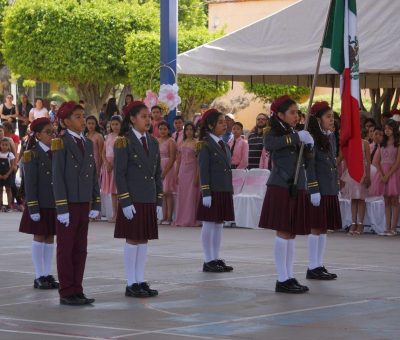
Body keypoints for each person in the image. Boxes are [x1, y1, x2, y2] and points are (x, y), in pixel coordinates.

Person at [258, 95, 315, 294]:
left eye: (297, 112)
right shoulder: (272, 132)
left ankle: (289, 276)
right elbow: (271, 145)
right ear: (280, 115)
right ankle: (282, 278)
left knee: (291, 233)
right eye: (292, 112)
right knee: (283, 231)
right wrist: (297, 138)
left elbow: (305, 160)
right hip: (281, 185)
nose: (296, 116)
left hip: (295, 186)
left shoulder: (294, 131)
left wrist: (309, 145)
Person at [52, 101, 101, 305]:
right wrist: (62, 207)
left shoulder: (87, 143)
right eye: (78, 117)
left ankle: (78, 288)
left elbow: (92, 174)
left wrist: (96, 202)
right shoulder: (61, 143)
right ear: (65, 121)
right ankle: (66, 291)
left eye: (83, 115)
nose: (83, 120)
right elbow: (58, 177)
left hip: (83, 202)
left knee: (81, 248)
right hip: (69, 203)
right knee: (66, 248)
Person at [114, 100, 162, 298]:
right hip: (133, 199)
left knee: (143, 240)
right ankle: (131, 282)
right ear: (132, 119)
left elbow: (157, 174)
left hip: (148, 197)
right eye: (143, 117)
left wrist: (159, 200)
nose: (148, 120)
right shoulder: (123, 141)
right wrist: (125, 201)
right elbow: (120, 174)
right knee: (132, 239)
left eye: (149, 117)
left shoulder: (152, 142)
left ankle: (140, 279)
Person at [19, 117, 59, 290]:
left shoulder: (56, 152)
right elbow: (30, 183)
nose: (52, 135)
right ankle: (38, 275)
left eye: (53, 132)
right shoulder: (32, 154)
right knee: (39, 237)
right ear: (37, 135)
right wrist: (33, 206)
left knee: (50, 236)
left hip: (53, 202)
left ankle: (47, 273)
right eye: (48, 132)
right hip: (39, 202)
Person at [306, 102, 342, 280]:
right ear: (318, 119)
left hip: (329, 188)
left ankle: (319, 264)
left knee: (324, 228)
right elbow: (309, 166)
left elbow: (332, 163)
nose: (332, 120)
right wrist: (313, 188)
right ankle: (312, 266)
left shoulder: (330, 136)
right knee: (316, 227)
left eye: (332, 117)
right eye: (328, 117)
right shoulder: (312, 138)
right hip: (318, 188)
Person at [196, 109, 234, 273]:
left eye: (224, 121)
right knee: (209, 223)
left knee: (219, 224)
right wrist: (206, 192)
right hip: (212, 190)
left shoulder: (223, 144)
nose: (224, 125)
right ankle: (208, 259)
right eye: (220, 122)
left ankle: (215, 257)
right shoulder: (205, 144)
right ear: (210, 125)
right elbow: (203, 170)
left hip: (223, 188)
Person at [371, 119, 400, 236]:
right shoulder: (381, 143)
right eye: (386, 129)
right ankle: (387, 227)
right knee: (386, 200)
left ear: (394, 130)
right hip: (383, 173)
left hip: (394, 173)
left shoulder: (398, 143)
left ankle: (393, 227)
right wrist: (382, 174)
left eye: (390, 128)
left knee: (394, 200)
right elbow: (376, 161)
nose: (387, 131)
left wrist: (388, 175)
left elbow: (398, 162)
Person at [341, 137, 371, 235]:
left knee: (361, 198)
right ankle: (353, 223)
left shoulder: (365, 143)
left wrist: (368, 175)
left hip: (362, 172)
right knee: (353, 198)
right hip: (352, 172)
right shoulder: (350, 143)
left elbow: (368, 161)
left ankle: (361, 224)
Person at [174, 122, 200, 227]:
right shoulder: (182, 142)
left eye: (191, 129)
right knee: (183, 194)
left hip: (192, 170)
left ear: (194, 131)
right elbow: (178, 160)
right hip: (183, 171)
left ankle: (191, 219)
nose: (189, 132)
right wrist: (176, 174)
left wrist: (197, 175)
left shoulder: (197, 143)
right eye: (187, 129)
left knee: (192, 194)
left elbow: (199, 161)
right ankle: (181, 218)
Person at [101, 115, 122, 222]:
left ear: (121, 125)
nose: (114, 126)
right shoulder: (108, 136)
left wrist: (113, 164)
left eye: (117, 124)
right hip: (108, 166)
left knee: (119, 191)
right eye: (112, 124)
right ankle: (114, 213)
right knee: (113, 192)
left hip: (118, 164)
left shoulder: (123, 136)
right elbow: (103, 152)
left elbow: (121, 153)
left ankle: (120, 214)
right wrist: (105, 163)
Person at [158, 121, 177, 225]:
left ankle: (169, 217)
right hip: (159, 166)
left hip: (168, 168)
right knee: (162, 193)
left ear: (169, 130)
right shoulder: (157, 141)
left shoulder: (171, 141)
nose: (162, 131)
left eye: (165, 129)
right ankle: (164, 216)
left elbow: (172, 158)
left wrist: (165, 172)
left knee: (168, 193)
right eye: (160, 129)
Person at [0, 137, 15, 212]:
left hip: (8, 175)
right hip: (0, 175)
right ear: (0, 145)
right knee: (0, 190)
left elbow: (12, 166)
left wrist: (7, 175)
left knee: (8, 189)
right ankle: (0, 205)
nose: (4, 146)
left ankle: (9, 206)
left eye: (6, 145)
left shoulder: (10, 155)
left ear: (9, 146)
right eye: (3, 145)